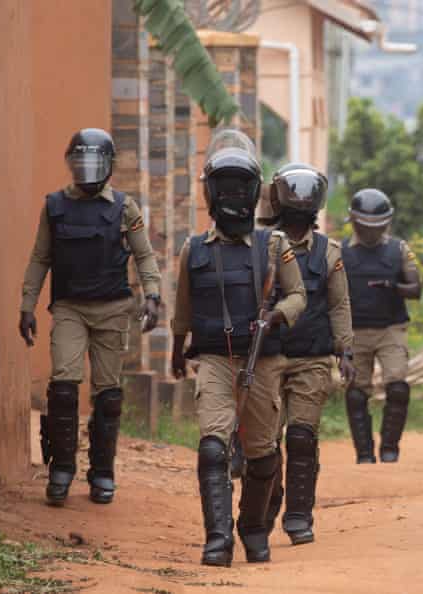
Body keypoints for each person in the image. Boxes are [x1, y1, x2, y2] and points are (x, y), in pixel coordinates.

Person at [170, 129, 306, 566]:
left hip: (263, 361)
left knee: (263, 453)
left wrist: (276, 316)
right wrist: (177, 348)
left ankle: (252, 528)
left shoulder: (275, 246)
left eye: (238, 186)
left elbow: (298, 296)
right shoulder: (194, 250)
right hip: (213, 359)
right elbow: (184, 307)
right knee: (214, 445)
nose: (231, 195)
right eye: (223, 186)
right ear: (211, 191)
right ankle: (217, 538)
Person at [19, 128, 162, 507]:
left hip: (114, 308)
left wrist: (153, 295)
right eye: (80, 162)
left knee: (108, 394)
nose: (87, 170)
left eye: (94, 163)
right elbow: (40, 258)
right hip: (69, 307)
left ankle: (102, 472)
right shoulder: (54, 207)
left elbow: (144, 255)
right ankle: (61, 468)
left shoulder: (123, 208)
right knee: (64, 385)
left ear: (109, 167)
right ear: (71, 165)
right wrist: (26, 305)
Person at [264, 163, 355, 546]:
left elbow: (339, 304)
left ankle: (299, 515)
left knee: (301, 436)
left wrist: (345, 350)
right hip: (268, 357)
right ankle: (266, 505)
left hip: (313, 359)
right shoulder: (261, 244)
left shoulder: (329, 252)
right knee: (265, 442)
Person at [342, 189, 421, 464]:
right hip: (355, 330)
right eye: (366, 227)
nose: (371, 233)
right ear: (354, 221)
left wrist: (394, 287)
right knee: (355, 393)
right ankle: (364, 453)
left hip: (391, 328)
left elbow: (416, 288)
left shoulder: (399, 249)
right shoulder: (340, 252)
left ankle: (390, 448)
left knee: (398, 387)